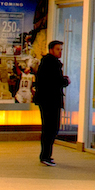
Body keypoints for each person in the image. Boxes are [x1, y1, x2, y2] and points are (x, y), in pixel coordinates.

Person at [33, 39, 70, 167]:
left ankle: (46, 155)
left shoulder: (48, 63)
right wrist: (65, 81)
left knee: (50, 128)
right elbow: (55, 81)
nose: (60, 52)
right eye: (58, 49)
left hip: (47, 100)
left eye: (61, 49)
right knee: (50, 128)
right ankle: (45, 155)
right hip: (50, 100)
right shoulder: (51, 64)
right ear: (51, 50)